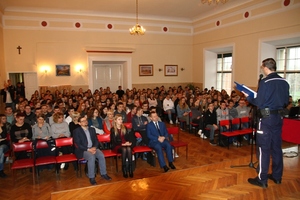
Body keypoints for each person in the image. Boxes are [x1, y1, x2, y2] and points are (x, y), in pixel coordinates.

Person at [244, 58, 289, 188]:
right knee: (276, 147)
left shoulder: (265, 82)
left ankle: (262, 179)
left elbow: (259, 102)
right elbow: (286, 101)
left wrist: (248, 96)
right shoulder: (284, 81)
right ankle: (277, 176)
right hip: (278, 118)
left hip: (266, 119)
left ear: (265, 67)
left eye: (262, 67)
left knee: (263, 149)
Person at [73, 116, 112, 185]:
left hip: (93, 148)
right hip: (83, 150)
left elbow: (96, 140)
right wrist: (88, 149)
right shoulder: (76, 131)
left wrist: (94, 147)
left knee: (101, 155)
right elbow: (78, 144)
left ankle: (104, 173)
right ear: (79, 123)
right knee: (91, 157)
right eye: (83, 121)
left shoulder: (92, 129)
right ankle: (92, 177)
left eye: (86, 120)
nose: (85, 121)